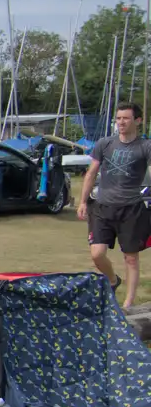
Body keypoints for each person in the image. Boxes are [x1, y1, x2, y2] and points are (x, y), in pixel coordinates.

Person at [77, 102, 151, 307]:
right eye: (118, 118)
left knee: (131, 258)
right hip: (102, 207)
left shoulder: (145, 146)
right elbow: (91, 173)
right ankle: (112, 279)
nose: (121, 122)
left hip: (131, 208)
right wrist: (83, 201)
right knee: (97, 254)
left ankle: (127, 304)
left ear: (138, 120)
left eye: (126, 118)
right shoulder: (105, 143)